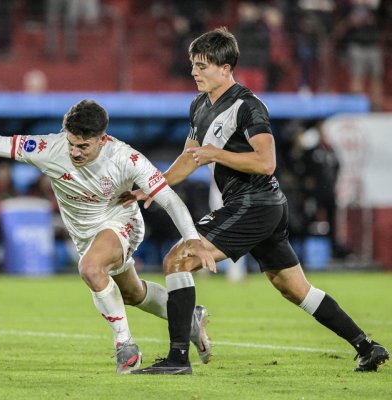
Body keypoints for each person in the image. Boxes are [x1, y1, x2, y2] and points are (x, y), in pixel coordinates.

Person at [122, 27, 389, 374]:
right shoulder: (199, 105)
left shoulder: (248, 106)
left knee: (178, 259)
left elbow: (266, 162)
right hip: (258, 206)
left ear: (225, 67)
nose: (194, 72)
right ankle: (367, 346)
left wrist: (217, 153)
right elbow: (190, 157)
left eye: (202, 66)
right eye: (193, 65)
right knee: (294, 288)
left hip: (255, 202)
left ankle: (178, 360)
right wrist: (152, 187)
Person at [0, 99, 216, 374]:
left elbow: (169, 199)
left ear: (103, 139)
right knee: (132, 293)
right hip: (84, 233)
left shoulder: (126, 159)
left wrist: (191, 237)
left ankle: (125, 346)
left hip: (120, 221)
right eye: (71, 142)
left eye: (83, 146)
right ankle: (189, 317)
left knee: (90, 269)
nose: (74, 152)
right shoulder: (49, 148)